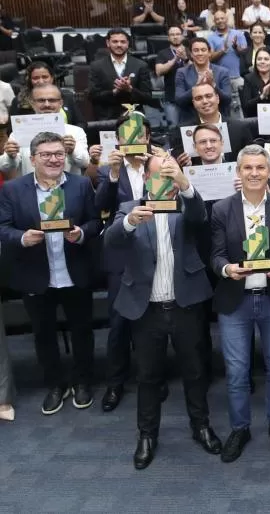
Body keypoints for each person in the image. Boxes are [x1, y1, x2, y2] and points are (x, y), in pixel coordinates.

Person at [104, 153, 222, 470]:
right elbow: (111, 241)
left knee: (195, 371)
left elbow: (199, 217)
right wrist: (130, 222)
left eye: (170, 176)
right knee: (148, 375)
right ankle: (147, 435)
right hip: (146, 309)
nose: (164, 183)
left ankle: (201, 426)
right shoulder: (130, 209)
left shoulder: (185, 205)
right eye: (159, 176)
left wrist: (185, 185)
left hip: (185, 304)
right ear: (146, 179)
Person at [0, 131, 99, 415]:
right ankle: (56, 385)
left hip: (74, 272)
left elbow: (95, 222)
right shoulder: (12, 189)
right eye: (46, 155)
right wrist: (21, 237)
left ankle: (83, 381)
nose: (54, 159)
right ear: (32, 159)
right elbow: (2, 228)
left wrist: (81, 233)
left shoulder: (80, 185)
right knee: (43, 335)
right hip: (35, 274)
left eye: (58, 154)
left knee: (82, 331)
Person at [210, 145, 270, 462]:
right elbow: (216, 255)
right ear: (238, 172)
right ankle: (239, 428)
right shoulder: (221, 209)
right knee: (236, 371)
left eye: (260, 167)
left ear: (269, 171)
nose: (254, 173)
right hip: (236, 301)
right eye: (248, 168)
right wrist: (227, 269)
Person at [93, 113, 154, 412]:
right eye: (127, 135)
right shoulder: (108, 171)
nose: (134, 140)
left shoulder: (159, 164)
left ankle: (152, 377)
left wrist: (152, 170)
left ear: (147, 138)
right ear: (118, 141)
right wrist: (115, 173)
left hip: (155, 250)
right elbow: (100, 207)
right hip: (121, 253)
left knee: (151, 320)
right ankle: (115, 384)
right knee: (119, 323)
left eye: (139, 134)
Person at [0, 84, 89, 178]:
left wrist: (73, 150)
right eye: (41, 100)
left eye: (52, 100)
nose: (47, 104)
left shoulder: (76, 132)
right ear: (32, 103)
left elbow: (85, 163)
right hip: (31, 189)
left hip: (67, 189)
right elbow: (5, 167)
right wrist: (10, 156)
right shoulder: (19, 132)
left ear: (61, 103)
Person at [88, 29, 156, 121]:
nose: (119, 45)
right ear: (108, 43)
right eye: (115, 41)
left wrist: (130, 89)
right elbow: (92, 96)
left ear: (127, 44)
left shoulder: (141, 65)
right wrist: (114, 91)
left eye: (123, 42)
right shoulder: (96, 66)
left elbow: (147, 97)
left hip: (134, 119)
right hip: (107, 120)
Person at [175, 38, 233, 123]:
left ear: (209, 53)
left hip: (218, 121)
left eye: (203, 50)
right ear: (191, 54)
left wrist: (213, 85)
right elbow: (179, 101)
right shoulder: (182, 72)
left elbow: (227, 100)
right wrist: (196, 86)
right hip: (191, 121)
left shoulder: (222, 72)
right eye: (196, 50)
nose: (200, 53)